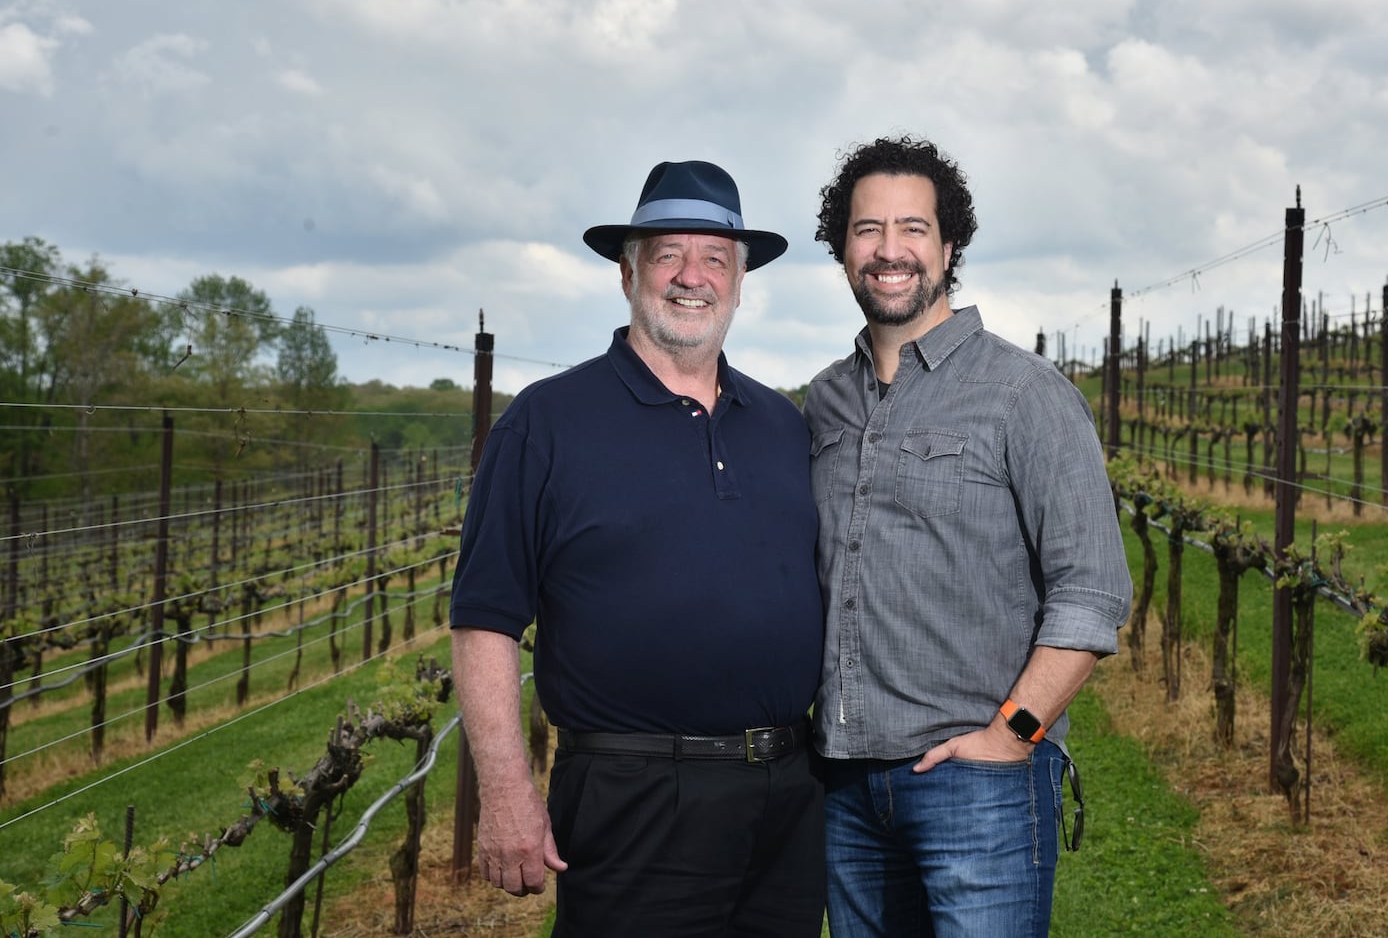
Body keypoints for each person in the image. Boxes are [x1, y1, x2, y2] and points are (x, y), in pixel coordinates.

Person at [450, 160, 825, 937]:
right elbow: (484, 621)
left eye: (716, 258)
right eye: (669, 256)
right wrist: (507, 790)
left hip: (789, 794)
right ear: (628, 274)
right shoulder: (546, 423)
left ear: (741, 281)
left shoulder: (782, 425)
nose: (694, 277)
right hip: (634, 797)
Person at [804, 135, 1134, 937]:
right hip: (845, 787)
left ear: (949, 247)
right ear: (842, 249)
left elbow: (1092, 590)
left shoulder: (1025, 393)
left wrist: (1012, 733)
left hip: (977, 784)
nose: (889, 251)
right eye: (866, 230)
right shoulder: (823, 404)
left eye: (913, 229)